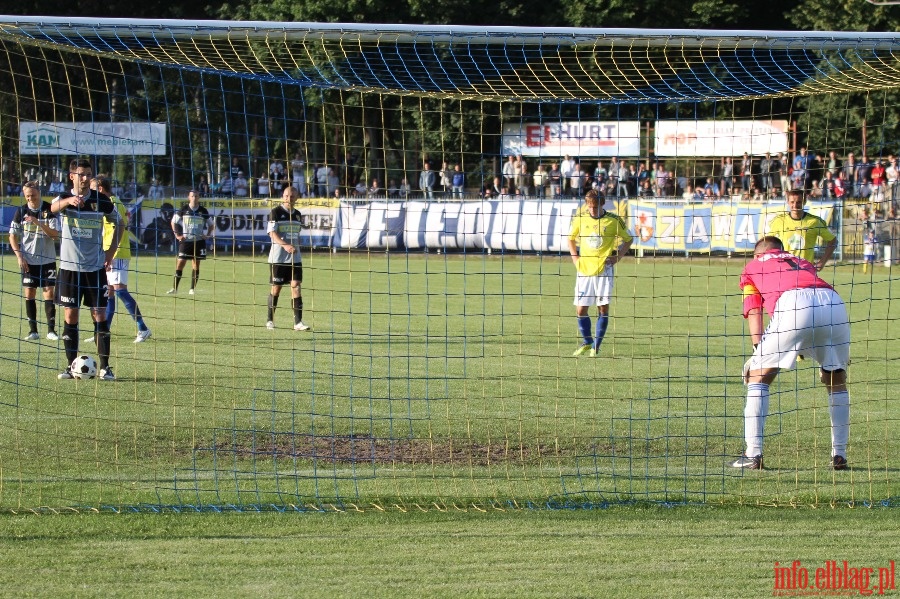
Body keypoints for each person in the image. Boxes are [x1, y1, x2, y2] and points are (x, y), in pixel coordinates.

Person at [734, 236, 850, 471]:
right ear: (781, 250)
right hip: (833, 302)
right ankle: (839, 454)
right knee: (835, 378)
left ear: (758, 254)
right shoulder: (801, 261)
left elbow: (754, 309)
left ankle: (753, 454)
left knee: (758, 377)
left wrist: (758, 349)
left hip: (794, 304)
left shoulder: (753, 267)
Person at [50, 159, 121, 381]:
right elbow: (51, 209)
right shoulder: (62, 199)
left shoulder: (102, 201)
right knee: (70, 315)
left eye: (88, 175)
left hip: (94, 269)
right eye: (80, 174)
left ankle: (105, 368)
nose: (85, 178)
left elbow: (120, 224)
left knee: (99, 314)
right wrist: (69, 201)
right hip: (69, 268)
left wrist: (110, 253)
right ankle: (70, 366)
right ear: (72, 176)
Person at [566, 189, 633, 357]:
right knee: (581, 310)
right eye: (589, 207)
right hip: (584, 270)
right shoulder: (580, 219)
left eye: (595, 207)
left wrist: (617, 257)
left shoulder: (614, 220)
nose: (592, 210)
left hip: (604, 270)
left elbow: (629, 239)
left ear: (602, 204)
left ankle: (596, 346)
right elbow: (570, 238)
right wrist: (575, 258)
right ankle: (588, 341)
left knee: (602, 308)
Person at [86, 177, 151, 344]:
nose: (90, 192)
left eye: (92, 188)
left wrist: (111, 253)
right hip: (108, 253)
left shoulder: (112, 203)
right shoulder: (109, 202)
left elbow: (121, 227)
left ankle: (143, 328)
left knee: (120, 290)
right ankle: (103, 331)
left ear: (100, 188)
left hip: (117, 253)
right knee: (109, 293)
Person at [9, 181, 59, 341]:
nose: (30, 198)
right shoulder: (21, 211)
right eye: (27, 196)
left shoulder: (49, 209)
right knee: (29, 294)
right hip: (28, 261)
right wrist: (19, 256)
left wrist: (38, 222)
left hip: (48, 260)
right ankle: (33, 331)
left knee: (49, 293)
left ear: (39, 193)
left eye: (33, 195)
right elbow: (12, 236)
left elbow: (55, 235)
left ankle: (51, 331)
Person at [266, 186, 310, 331]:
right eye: (286, 196)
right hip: (278, 258)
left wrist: (296, 244)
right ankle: (270, 320)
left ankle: (298, 323)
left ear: (296, 198)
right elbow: (272, 233)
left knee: (296, 286)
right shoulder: (275, 212)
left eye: (291, 196)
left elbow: (294, 235)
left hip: (295, 259)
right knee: (276, 289)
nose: (288, 199)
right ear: (282, 196)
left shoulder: (297, 214)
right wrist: (285, 245)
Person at [765, 190, 837, 270]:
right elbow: (767, 243)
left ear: (804, 202)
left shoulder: (814, 222)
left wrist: (822, 262)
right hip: (784, 270)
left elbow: (833, 240)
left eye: (799, 202)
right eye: (792, 202)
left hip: (806, 270)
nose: (795, 205)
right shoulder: (779, 220)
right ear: (788, 202)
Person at [167, 190, 213, 295]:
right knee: (180, 263)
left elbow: (211, 225)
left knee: (196, 265)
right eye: (192, 196)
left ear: (199, 197)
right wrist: (177, 235)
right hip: (186, 241)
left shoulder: (203, 210)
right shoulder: (183, 209)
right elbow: (173, 222)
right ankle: (174, 288)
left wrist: (207, 235)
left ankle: (192, 289)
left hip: (199, 241)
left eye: (196, 196)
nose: (194, 198)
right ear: (189, 197)